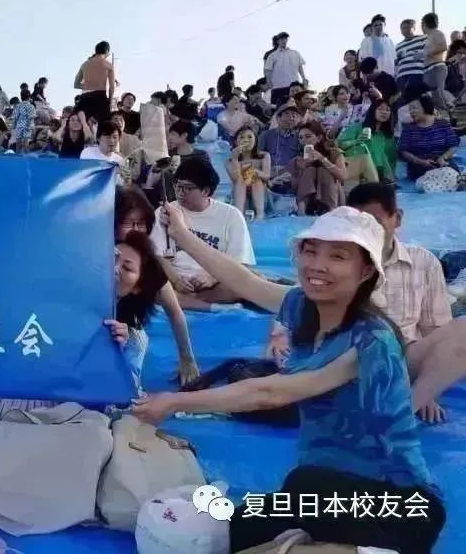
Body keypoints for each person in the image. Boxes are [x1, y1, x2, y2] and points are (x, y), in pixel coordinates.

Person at [134, 204, 445, 554]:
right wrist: (182, 234)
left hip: (400, 506)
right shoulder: (303, 305)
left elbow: (269, 393)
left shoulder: (372, 341)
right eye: (311, 251)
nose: (317, 265)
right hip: (324, 491)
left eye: (337, 256)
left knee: (301, 496)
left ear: (366, 271)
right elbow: (245, 282)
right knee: (225, 532)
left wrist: (174, 401)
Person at [0, 230, 168, 417]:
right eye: (111, 260)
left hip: (78, 417)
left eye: (127, 268)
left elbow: (124, 403)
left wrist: (118, 355)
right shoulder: (57, 302)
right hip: (24, 402)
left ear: (137, 287)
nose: (115, 269)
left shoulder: (135, 339)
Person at [345, 183, 458, 426]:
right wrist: (279, 335)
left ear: (396, 219)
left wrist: (428, 387)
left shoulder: (423, 262)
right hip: (348, 362)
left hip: (405, 361)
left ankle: (402, 415)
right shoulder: (340, 262)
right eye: (358, 223)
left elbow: (435, 331)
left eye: (376, 222)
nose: (367, 231)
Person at [116, 186, 200, 384]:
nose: (136, 230)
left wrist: (187, 360)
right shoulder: (93, 256)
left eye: (141, 224)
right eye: (128, 223)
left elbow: (175, 312)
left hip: (126, 332)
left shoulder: (150, 266)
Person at [150, 158, 255, 311]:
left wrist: (212, 277)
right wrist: (176, 279)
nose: (180, 192)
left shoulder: (231, 215)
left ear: (205, 191)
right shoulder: (165, 212)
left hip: (216, 282)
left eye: (187, 188)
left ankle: (183, 300)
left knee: (248, 282)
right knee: (148, 283)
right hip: (173, 280)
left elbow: (239, 261)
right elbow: (157, 256)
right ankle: (209, 306)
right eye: (177, 185)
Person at [288, 120, 346, 216]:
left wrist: (322, 159)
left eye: (308, 136)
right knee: (309, 171)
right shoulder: (298, 159)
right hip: (307, 201)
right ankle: (301, 212)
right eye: (300, 138)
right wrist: (302, 167)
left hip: (332, 199)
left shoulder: (334, 152)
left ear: (319, 138)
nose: (303, 140)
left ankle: (330, 212)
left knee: (324, 171)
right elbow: (292, 186)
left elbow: (343, 177)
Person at [398, 95, 459, 180]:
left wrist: (443, 158)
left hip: (443, 163)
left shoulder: (443, 124)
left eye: (414, 108)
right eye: (410, 109)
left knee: (453, 175)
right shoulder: (409, 128)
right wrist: (420, 161)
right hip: (419, 167)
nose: (411, 112)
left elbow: (453, 145)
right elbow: (404, 151)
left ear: (425, 107)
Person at [336, 98, 397, 183]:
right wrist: (357, 141)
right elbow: (339, 145)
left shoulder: (386, 136)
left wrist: (390, 176)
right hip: (359, 171)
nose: (384, 112)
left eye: (388, 110)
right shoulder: (357, 127)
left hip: (380, 173)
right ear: (372, 111)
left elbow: (389, 158)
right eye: (380, 109)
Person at [225, 127, 270, 220]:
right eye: (242, 137)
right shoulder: (229, 161)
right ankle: (239, 216)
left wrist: (253, 171)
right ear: (235, 142)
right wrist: (235, 159)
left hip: (261, 196)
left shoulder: (264, 156)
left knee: (254, 178)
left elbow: (266, 176)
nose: (246, 140)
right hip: (240, 197)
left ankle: (260, 215)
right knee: (241, 178)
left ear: (255, 140)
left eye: (250, 137)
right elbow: (235, 178)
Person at [257, 104, 302, 193]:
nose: (291, 118)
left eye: (294, 115)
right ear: (278, 118)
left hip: (289, 176)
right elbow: (258, 158)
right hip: (269, 173)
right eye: (287, 114)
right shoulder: (265, 135)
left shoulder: (299, 137)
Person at [73, 41, 116, 125]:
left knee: (79, 124)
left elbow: (76, 84)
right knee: (104, 126)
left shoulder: (85, 64)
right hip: (100, 97)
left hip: (84, 98)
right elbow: (112, 87)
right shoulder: (108, 65)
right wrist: (110, 102)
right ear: (107, 51)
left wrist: (88, 86)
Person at [264, 32, 308, 107]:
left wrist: (304, 78)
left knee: (296, 108)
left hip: (294, 88)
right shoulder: (272, 56)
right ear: (278, 41)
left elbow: (300, 66)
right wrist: (271, 87)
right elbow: (267, 71)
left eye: (285, 38)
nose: (284, 40)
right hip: (278, 88)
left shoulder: (295, 53)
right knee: (278, 109)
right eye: (282, 39)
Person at [421, 13, 450, 113]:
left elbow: (443, 47)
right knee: (431, 97)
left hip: (437, 67)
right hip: (427, 70)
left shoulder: (437, 33)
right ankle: (438, 117)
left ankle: (446, 117)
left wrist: (427, 53)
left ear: (424, 23)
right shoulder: (426, 37)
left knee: (438, 95)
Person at [396, 18, 428, 96]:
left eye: (408, 27)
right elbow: (396, 62)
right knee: (405, 97)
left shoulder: (422, 38)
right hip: (401, 75)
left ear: (414, 28)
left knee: (417, 96)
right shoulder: (398, 46)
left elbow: (429, 51)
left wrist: (418, 54)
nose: (405, 30)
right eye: (403, 28)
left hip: (417, 72)